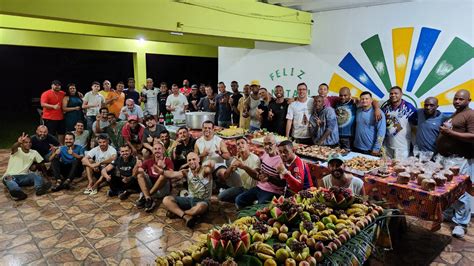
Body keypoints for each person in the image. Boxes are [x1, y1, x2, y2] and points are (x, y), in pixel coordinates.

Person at [437, 89, 474, 238]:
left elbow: (472, 136)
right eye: (455, 98)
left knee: (460, 192)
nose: (457, 101)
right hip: (448, 159)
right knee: (448, 189)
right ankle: (449, 214)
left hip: (460, 159)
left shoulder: (470, 114)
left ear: (468, 100)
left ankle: (461, 224)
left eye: (461, 99)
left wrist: (450, 133)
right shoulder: (456, 114)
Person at [162, 152, 213, 228]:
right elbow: (172, 174)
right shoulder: (187, 172)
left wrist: (209, 165)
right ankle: (186, 216)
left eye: (194, 159)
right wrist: (162, 171)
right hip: (190, 199)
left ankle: (178, 213)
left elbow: (210, 167)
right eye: (189, 160)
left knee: (199, 208)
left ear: (199, 159)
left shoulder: (204, 170)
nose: (191, 161)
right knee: (166, 199)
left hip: (203, 201)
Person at [235, 134, 285, 209]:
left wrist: (269, 178)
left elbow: (283, 184)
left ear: (276, 145)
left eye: (270, 144)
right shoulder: (265, 154)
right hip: (259, 187)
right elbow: (261, 168)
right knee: (239, 200)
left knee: (259, 209)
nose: (267, 147)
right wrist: (258, 170)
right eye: (265, 144)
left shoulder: (281, 160)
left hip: (272, 191)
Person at [3, 133, 51, 200]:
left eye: (30, 142)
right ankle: (18, 193)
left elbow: (42, 164)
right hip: (11, 176)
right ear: (22, 144)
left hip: (24, 177)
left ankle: (39, 189)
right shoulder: (17, 150)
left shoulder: (34, 152)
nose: (28, 144)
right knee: (9, 180)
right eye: (25, 142)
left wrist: (46, 177)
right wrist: (18, 142)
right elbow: (13, 147)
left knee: (36, 175)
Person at [218, 137, 260, 203]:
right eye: (238, 144)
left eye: (242, 143)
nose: (240, 145)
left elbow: (256, 176)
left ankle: (249, 200)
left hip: (254, 189)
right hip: (243, 188)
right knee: (221, 196)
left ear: (248, 145)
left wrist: (243, 166)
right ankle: (246, 200)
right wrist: (231, 167)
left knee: (238, 200)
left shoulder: (255, 158)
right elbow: (226, 176)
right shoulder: (237, 159)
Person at [136, 142, 174, 212]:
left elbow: (172, 175)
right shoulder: (148, 161)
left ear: (163, 150)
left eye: (159, 148)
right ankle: (148, 198)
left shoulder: (168, 161)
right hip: (152, 186)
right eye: (155, 149)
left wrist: (164, 167)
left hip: (163, 190)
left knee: (163, 175)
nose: (157, 150)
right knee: (139, 175)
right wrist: (138, 167)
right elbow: (139, 171)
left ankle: (147, 196)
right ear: (153, 151)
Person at [381, 86, 417, 158]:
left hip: (402, 147)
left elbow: (416, 124)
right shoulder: (386, 107)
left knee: (400, 168)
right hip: (387, 146)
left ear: (401, 94)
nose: (393, 95)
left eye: (396, 93)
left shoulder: (409, 107)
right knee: (386, 167)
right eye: (391, 93)